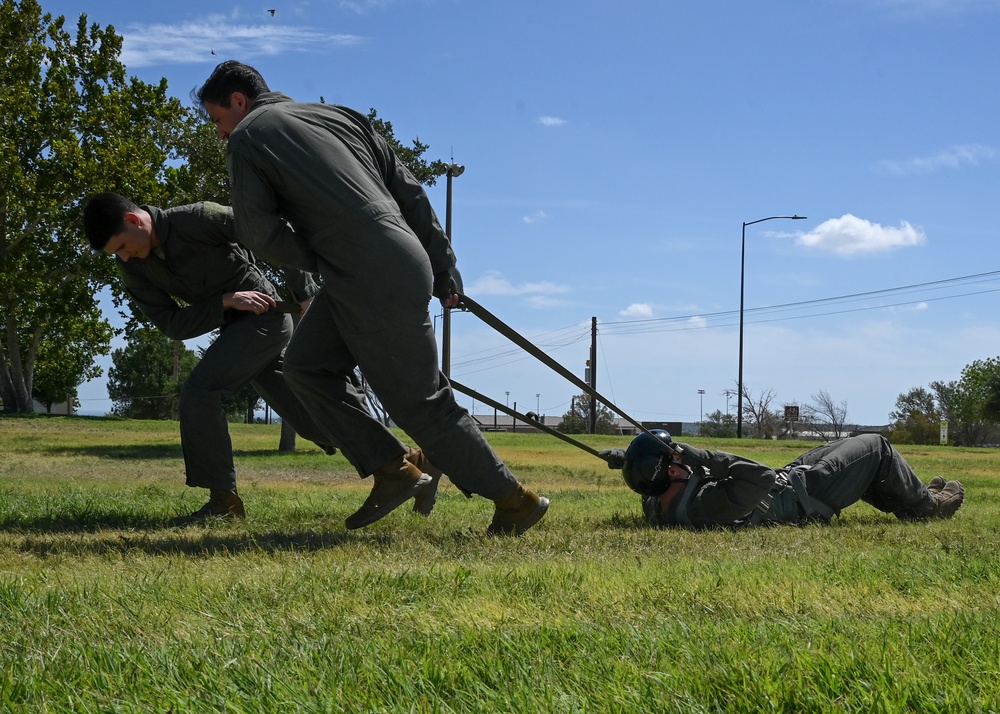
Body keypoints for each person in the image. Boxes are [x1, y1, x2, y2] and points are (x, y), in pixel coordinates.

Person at [195, 60, 548, 536]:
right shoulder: (339, 116)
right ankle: (394, 470)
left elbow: (259, 234)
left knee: (422, 403)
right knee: (306, 365)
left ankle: (515, 500)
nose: (219, 134)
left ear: (239, 101)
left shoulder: (249, 137)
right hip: (397, 256)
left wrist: (321, 256)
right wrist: (442, 265)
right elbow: (412, 193)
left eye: (217, 119)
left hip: (362, 269)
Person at [82, 192, 443, 521]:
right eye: (117, 253)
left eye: (124, 246)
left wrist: (304, 295)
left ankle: (224, 503)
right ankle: (411, 460)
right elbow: (171, 323)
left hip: (267, 321)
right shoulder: (133, 266)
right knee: (313, 422)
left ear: (134, 221)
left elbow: (275, 234)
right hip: (235, 328)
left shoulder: (199, 218)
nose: (125, 257)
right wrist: (223, 302)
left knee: (200, 392)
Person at [600, 431, 964, 528]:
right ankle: (929, 507)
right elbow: (759, 475)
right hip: (807, 493)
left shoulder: (655, 500)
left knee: (848, 444)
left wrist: (624, 458)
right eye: (676, 460)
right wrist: (702, 455)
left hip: (792, 480)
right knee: (875, 446)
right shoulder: (706, 508)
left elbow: (645, 474)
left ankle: (909, 499)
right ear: (675, 471)